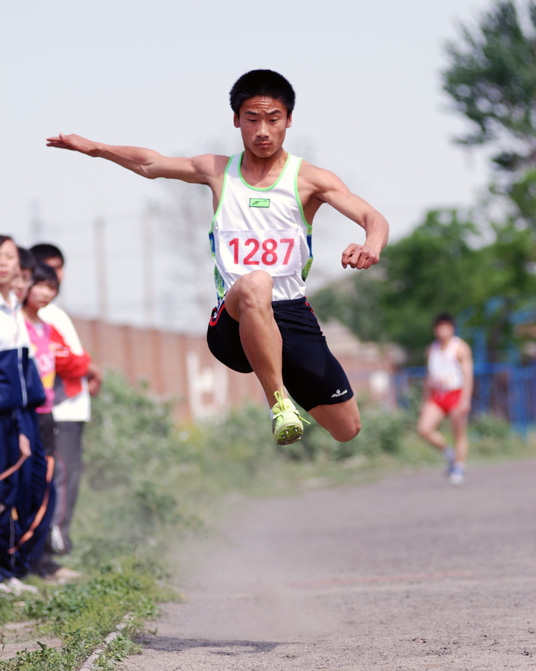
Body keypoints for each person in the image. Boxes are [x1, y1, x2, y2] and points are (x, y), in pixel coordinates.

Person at [47, 69, 389, 446]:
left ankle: (279, 366)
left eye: (273, 120)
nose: (262, 131)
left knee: (347, 428)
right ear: (236, 120)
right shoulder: (217, 171)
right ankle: (280, 404)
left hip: (290, 312)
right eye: (252, 119)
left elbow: (372, 217)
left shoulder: (310, 179)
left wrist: (371, 245)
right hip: (233, 315)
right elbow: (149, 164)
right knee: (257, 281)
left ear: (288, 120)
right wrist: (94, 147)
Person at [29, 243, 102, 555]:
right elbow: (62, 358)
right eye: (45, 271)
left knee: (68, 478)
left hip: (72, 407)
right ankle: (52, 546)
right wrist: (88, 365)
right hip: (57, 408)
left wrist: (84, 364)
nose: (52, 278)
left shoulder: (53, 311)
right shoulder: (38, 313)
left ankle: (57, 542)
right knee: (61, 477)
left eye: (57, 269)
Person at [0, 235, 52, 594]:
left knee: (23, 487)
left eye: (9, 257)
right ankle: (5, 572)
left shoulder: (11, 309)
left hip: (21, 413)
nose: (5, 264)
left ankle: (13, 567)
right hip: (5, 415)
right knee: (5, 488)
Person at [417, 312, 473, 486]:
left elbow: (468, 375)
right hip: (437, 396)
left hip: (455, 393)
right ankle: (449, 453)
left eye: (445, 326)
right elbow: (428, 376)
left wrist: (465, 399)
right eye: (439, 326)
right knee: (424, 429)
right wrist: (425, 399)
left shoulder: (460, 347)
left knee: (459, 433)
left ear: (451, 328)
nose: (442, 330)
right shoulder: (431, 349)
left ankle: (459, 467)